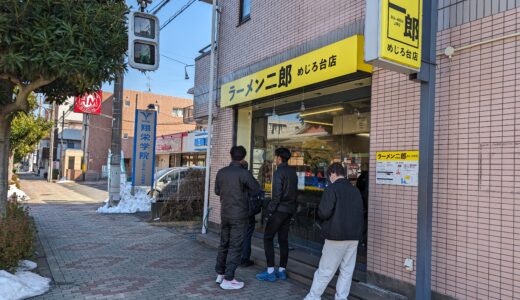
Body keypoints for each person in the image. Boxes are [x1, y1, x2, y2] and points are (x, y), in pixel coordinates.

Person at [304, 163, 364, 300]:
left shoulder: (332, 189)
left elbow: (324, 213)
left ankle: (313, 297)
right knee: (347, 271)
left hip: (335, 236)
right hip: (353, 237)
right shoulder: (355, 190)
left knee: (325, 270)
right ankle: (341, 297)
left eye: (329, 176)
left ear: (332, 174)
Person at [215, 146, 260, 290]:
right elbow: (256, 189)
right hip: (239, 215)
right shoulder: (244, 173)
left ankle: (220, 274)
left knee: (224, 243)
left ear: (231, 155)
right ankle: (229, 279)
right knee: (235, 246)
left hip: (225, 213)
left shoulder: (221, 172)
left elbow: (217, 191)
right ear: (243, 157)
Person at [256, 147, 298, 282]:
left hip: (279, 210)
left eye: (276, 157)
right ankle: (282, 271)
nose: (275, 159)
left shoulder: (279, 172)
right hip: (289, 210)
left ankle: (270, 271)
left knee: (268, 238)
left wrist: (269, 211)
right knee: (283, 240)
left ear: (279, 158)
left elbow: (276, 196)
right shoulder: (293, 172)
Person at [240, 160, 263, 267]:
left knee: (239, 234)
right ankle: (244, 259)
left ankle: (239, 257)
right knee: (246, 235)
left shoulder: (236, 176)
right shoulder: (248, 177)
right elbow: (257, 190)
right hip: (247, 211)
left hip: (237, 211)